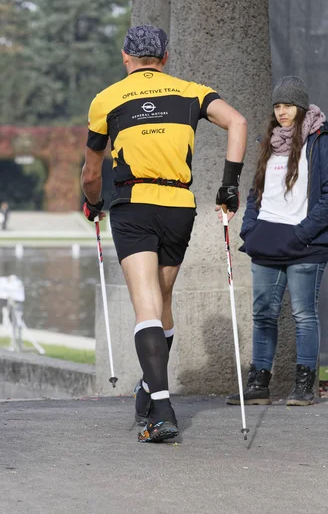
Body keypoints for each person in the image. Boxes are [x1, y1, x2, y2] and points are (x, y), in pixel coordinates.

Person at [81, 25, 247, 443]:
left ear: (125, 58)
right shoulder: (191, 90)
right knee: (163, 301)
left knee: (146, 306)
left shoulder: (106, 99)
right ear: (165, 58)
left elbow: (90, 172)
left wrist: (93, 202)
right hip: (179, 208)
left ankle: (162, 408)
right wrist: (229, 185)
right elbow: (238, 123)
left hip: (133, 205)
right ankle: (147, 389)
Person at [226, 76, 328, 407]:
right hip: (266, 239)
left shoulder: (319, 141)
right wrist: (249, 227)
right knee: (263, 314)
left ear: (301, 106)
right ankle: (259, 384)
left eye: (287, 105)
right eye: (277, 106)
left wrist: (303, 232)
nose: (282, 112)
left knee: (303, 314)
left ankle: (303, 385)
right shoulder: (268, 143)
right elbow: (257, 191)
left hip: (305, 242)